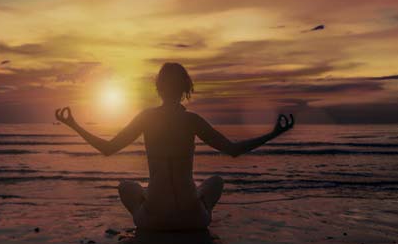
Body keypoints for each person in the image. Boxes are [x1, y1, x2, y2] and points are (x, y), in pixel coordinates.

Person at [54, 62, 295, 230]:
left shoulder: (147, 117)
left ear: (158, 88)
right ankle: (200, 209)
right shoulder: (192, 121)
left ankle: (152, 204)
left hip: (153, 222)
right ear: (185, 89)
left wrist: (74, 124)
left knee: (127, 187)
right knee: (216, 182)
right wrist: (273, 134)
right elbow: (233, 149)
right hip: (193, 221)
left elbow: (107, 148)